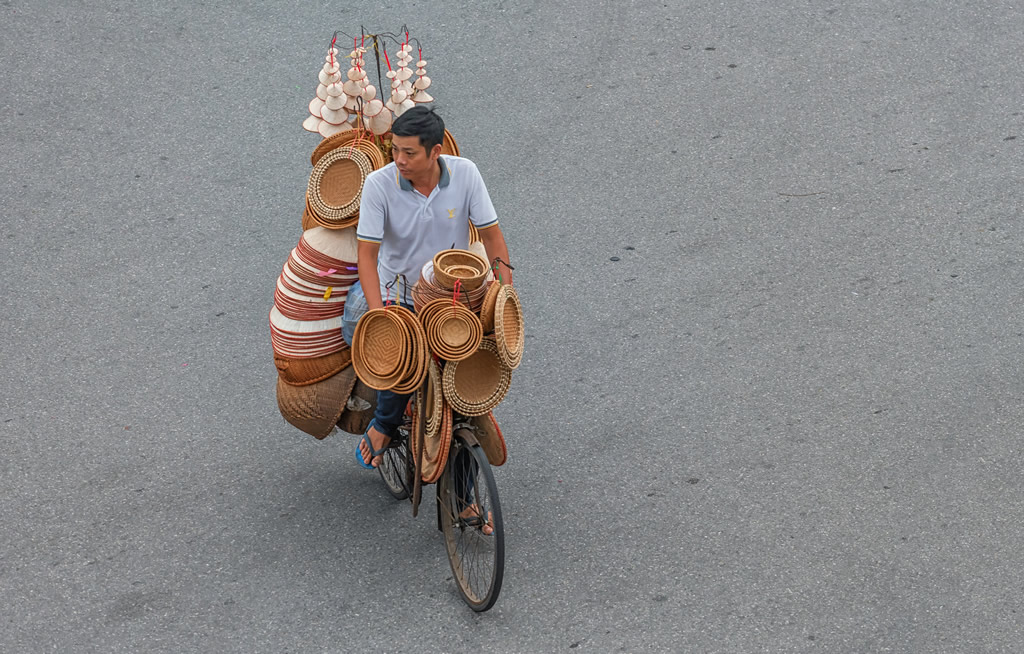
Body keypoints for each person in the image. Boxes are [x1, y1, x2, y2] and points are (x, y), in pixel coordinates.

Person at [341, 106, 513, 470]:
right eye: (394, 151)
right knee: (402, 360)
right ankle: (384, 425)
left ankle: (465, 504)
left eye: (409, 152)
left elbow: (493, 238)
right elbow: (367, 257)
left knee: (462, 392)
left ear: (436, 152)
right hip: (397, 289)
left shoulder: (466, 174)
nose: (399, 160)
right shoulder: (379, 185)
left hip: (450, 294)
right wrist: (379, 317)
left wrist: (505, 298)